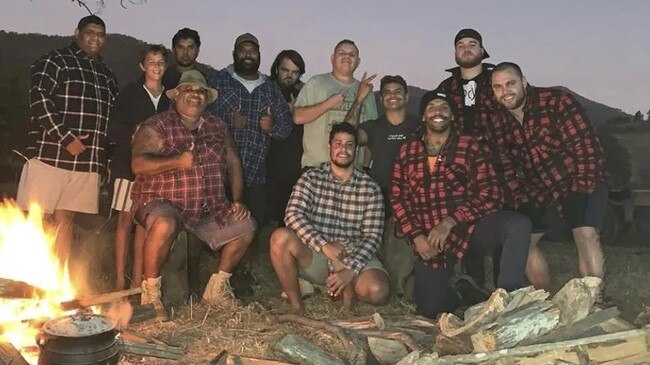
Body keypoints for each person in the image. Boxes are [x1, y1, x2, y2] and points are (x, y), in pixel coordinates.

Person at [390, 91, 530, 318]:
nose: (438, 111)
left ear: (452, 116)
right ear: (424, 117)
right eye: (432, 107)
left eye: (444, 107)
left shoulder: (469, 147)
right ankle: (462, 293)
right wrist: (416, 236)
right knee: (429, 309)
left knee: (517, 225)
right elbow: (398, 198)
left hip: (467, 229)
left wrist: (450, 221)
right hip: (429, 239)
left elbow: (491, 192)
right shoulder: (407, 152)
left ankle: (508, 300)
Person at [130, 70, 256, 320]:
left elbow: (234, 162)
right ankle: (151, 294)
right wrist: (177, 161)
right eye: (188, 89)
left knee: (247, 225)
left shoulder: (217, 126)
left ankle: (217, 289)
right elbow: (138, 164)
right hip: (161, 202)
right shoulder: (157, 124)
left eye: (200, 91)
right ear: (176, 94)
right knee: (166, 223)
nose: (195, 95)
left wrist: (238, 200)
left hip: (205, 208)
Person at [489, 62, 608, 293]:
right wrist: (522, 199)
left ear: (523, 81)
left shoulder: (556, 102)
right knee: (522, 241)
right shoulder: (498, 123)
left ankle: (594, 297)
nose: (505, 91)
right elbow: (505, 167)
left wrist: (581, 190)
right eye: (498, 87)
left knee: (584, 232)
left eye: (510, 83)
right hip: (542, 191)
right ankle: (543, 296)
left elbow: (585, 147)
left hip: (581, 178)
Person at [16, 15, 118, 263]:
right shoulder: (56, 60)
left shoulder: (107, 75)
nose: (95, 38)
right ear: (77, 33)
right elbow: (39, 99)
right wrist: (65, 137)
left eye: (100, 34)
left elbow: (111, 120)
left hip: (87, 162)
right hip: (50, 155)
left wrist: (105, 158)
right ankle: (26, 275)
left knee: (67, 221)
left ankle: (56, 281)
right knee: (36, 217)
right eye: (90, 32)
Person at [270, 122, 389, 314]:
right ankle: (297, 305)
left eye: (349, 144)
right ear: (329, 147)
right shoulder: (311, 177)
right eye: (338, 143)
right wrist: (324, 245)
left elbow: (373, 237)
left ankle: (342, 286)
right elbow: (292, 214)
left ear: (356, 149)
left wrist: (351, 269)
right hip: (317, 253)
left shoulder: (370, 188)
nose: (344, 149)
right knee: (280, 238)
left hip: (354, 252)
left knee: (377, 291)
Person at [436, 29, 500, 288]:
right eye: (460, 44)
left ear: (483, 51)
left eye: (472, 44)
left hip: (499, 164)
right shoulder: (445, 88)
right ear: (454, 53)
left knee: (499, 223)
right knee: (466, 220)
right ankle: (472, 286)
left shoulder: (498, 80)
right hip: (461, 168)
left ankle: (503, 288)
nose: (466, 48)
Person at [207, 32, 293, 226]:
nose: (247, 54)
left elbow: (286, 127)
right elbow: (201, 116)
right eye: (242, 50)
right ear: (234, 54)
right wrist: (229, 120)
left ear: (259, 55)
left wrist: (272, 127)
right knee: (216, 226)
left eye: (252, 51)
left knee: (250, 228)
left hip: (255, 175)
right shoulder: (217, 80)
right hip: (220, 172)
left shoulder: (271, 89)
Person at [108, 44, 170, 291]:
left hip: (155, 171)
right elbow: (114, 127)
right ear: (142, 66)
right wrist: (134, 135)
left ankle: (138, 279)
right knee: (124, 221)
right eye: (152, 62)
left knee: (145, 223)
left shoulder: (169, 98)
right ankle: (119, 279)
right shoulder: (130, 93)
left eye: (161, 63)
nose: (157, 67)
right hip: (127, 167)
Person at [356, 75, 419, 297]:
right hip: (379, 195)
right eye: (387, 92)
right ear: (382, 99)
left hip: (411, 197)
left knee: (404, 244)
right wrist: (359, 100)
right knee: (379, 242)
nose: (393, 95)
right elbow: (348, 135)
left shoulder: (418, 125)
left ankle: (405, 284)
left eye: (398, 91)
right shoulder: (374, 127)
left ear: (407, 96)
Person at [293, 39, 378, 168]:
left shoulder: (367, 92)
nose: (347, 56)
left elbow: (371, 134)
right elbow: (297, 117)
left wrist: (365, 167)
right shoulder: (316, 83)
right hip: (317, 168)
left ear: (358, 62)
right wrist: (328, 104)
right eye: (342, 53)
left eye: (352, 54)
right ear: (333, 58)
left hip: (353, 171)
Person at [266, 50, 307, 226]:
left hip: (293, 163)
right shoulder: (265, 90)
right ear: (276, 69)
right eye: (285, 70)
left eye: (295, 72)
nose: (289, 76)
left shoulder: (302, 94)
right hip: (268, 160)